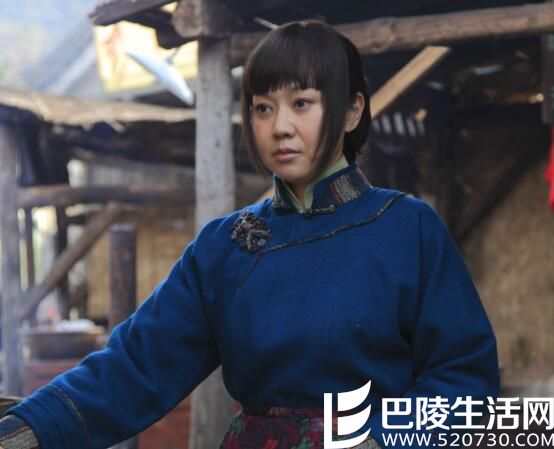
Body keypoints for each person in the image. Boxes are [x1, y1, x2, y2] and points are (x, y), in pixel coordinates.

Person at [0, 20, 499, 449]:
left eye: (301, 103)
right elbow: (134, 368)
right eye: (263, 108)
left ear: (351, 111)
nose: (280, 127)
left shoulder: (406, 228)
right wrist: (26, 432)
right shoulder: (225, 246)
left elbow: (465, 380)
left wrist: (375, 441)